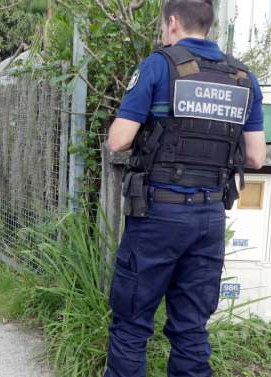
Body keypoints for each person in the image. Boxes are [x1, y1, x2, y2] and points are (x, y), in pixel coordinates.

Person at [104, 1, 267, 376]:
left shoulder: (159, 65)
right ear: (208, 26)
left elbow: (118, 141)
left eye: (163, 26)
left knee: (131, 324)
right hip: (210, 216)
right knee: (191, 328)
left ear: (173, 22)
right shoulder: (244, 77)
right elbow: (256, 156)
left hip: (158, 214)